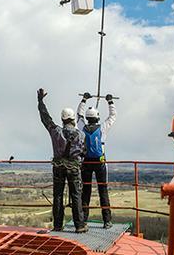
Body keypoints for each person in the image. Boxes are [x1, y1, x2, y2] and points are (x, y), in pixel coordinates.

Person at [37, 88, 88, 233]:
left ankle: (58, 225)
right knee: (76, 195)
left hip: (58, 167)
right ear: (72, 119)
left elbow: (45, 118)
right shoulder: (80, 135)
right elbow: (84, 152)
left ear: (63, 119)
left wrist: (40, 102)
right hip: (74, 168)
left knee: (58, 195)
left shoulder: (55, 131)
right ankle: (79, 225)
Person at [77, 93, 117, 229]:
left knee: (85, 191)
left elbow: (78, 115)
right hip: (100, 163)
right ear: (97, 117)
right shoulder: (103, 128)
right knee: (103, 190)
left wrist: (84, 100)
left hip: (86, 162)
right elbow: (112, 116)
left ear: (88, 118)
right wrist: (110, 101)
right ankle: (107, 221)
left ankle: (84, 220)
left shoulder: (82, 127)